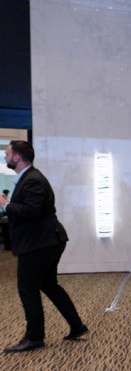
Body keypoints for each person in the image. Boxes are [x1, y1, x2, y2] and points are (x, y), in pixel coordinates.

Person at [0, 140, 88, 352]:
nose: (5, 157)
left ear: (17, 157)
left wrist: (6, 205)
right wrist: (8, 205)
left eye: (8, 154)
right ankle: (77, 326)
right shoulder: (28, 178)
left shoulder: (33, 179)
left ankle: (34, 337)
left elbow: (32, 211)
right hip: (45, 241)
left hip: (40, 243)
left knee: (27, 288)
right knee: (49, 285)